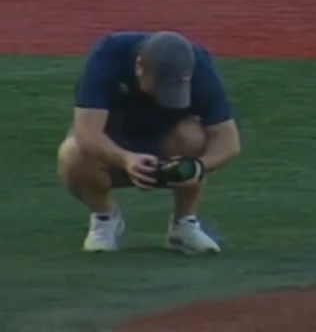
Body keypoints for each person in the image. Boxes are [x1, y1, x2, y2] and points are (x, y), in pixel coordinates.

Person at [56, 30, 241, 253]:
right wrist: (125, 159)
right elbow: (87, 132)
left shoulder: (199, 64)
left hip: (167, 135)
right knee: (73, 154)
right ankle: (105, 218)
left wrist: (198, 166)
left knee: (193, 136)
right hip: (114, 134)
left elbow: (229, 142)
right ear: (139, 67)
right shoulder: (108, 56)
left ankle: (184, 224)